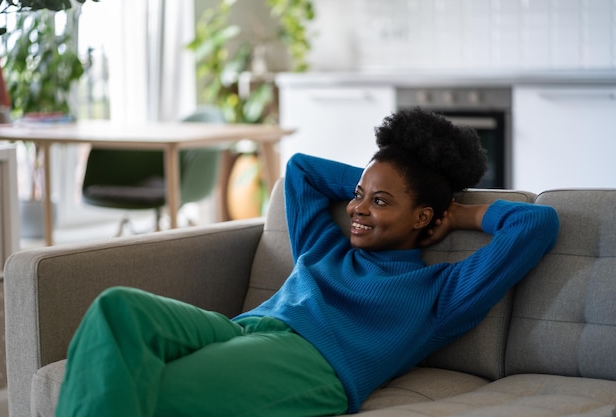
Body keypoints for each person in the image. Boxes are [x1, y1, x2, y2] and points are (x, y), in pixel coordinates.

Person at [56, 107, 559, 417]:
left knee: (155, 390)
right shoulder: (325, 245)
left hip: (312, 365)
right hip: (243, 330)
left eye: (381, 203)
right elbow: (300, 171)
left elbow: (536, 225)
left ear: (424, 216)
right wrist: (378, 183)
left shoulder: (440, 293)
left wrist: (459, 213)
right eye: (360, 196)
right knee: (116, 308)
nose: (359, 209)